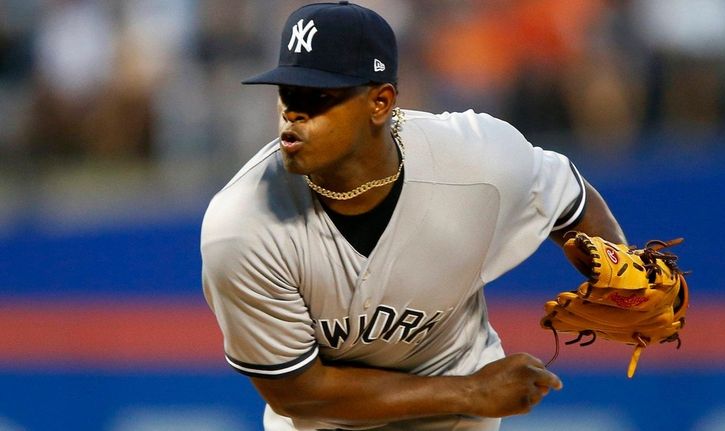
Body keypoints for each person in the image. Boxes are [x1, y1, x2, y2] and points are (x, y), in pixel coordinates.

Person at [201, 2, 626, 430]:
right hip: (329, 420)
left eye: (319, 96)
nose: (292, 111)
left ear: (380, 102)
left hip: (456, 416)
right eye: (287, 91)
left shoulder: (474, 158)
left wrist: (621, 275)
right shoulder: (241, 226)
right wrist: (474, 392)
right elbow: (299, 393)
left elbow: (569, 198)